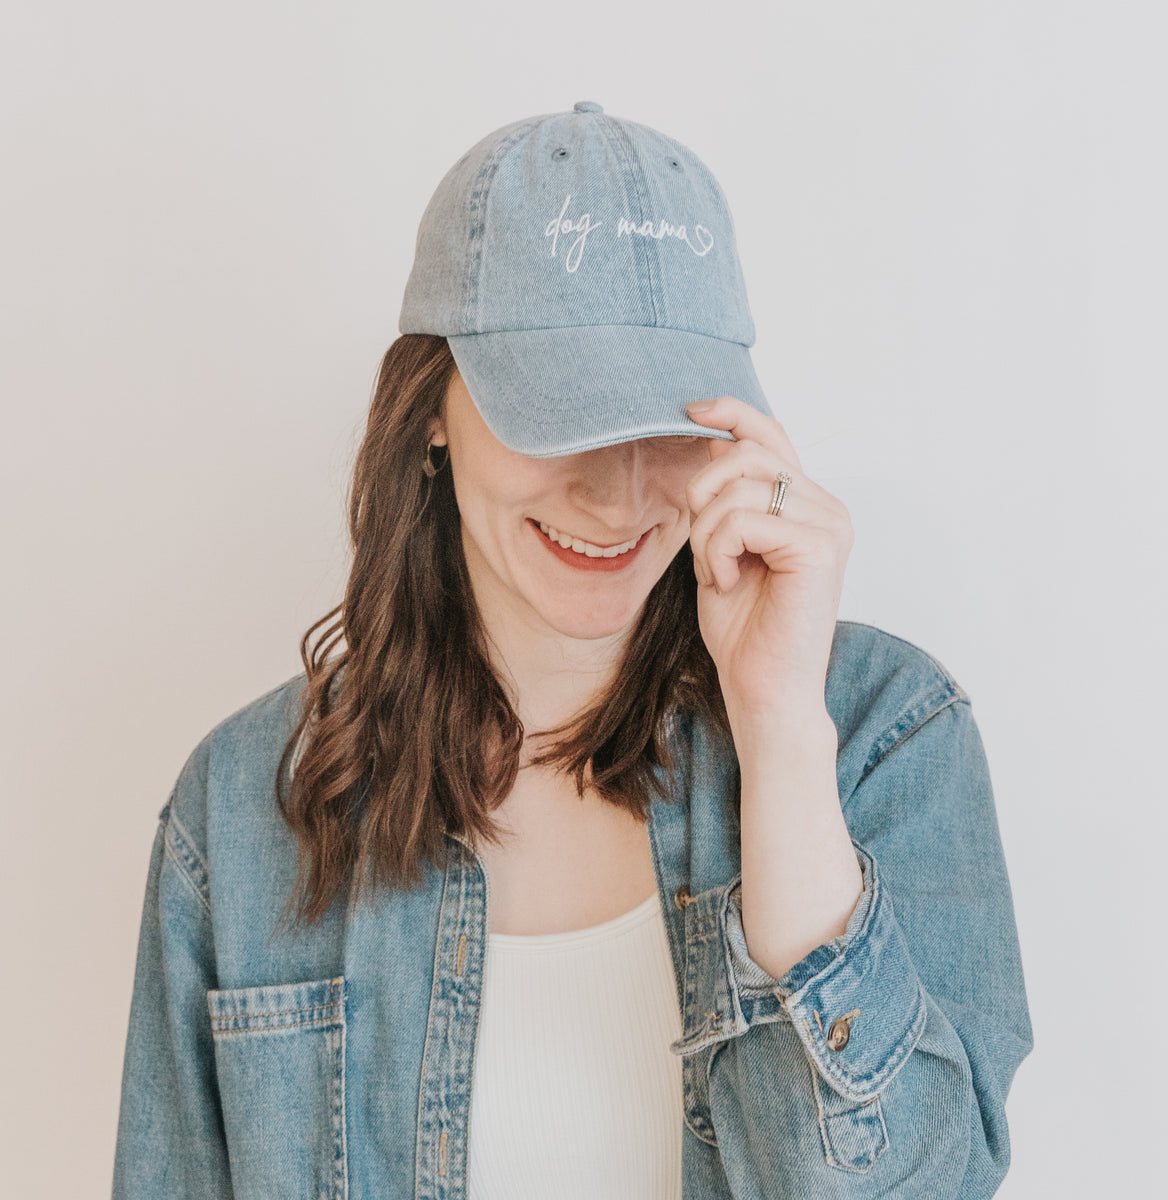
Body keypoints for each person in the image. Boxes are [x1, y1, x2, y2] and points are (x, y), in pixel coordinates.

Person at [112, 101, 1034, 1200]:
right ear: (435, 409)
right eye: (560, 415)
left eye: (668, 422)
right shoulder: (244, 809)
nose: (619, 492)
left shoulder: (885, 735)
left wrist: (782, 729)